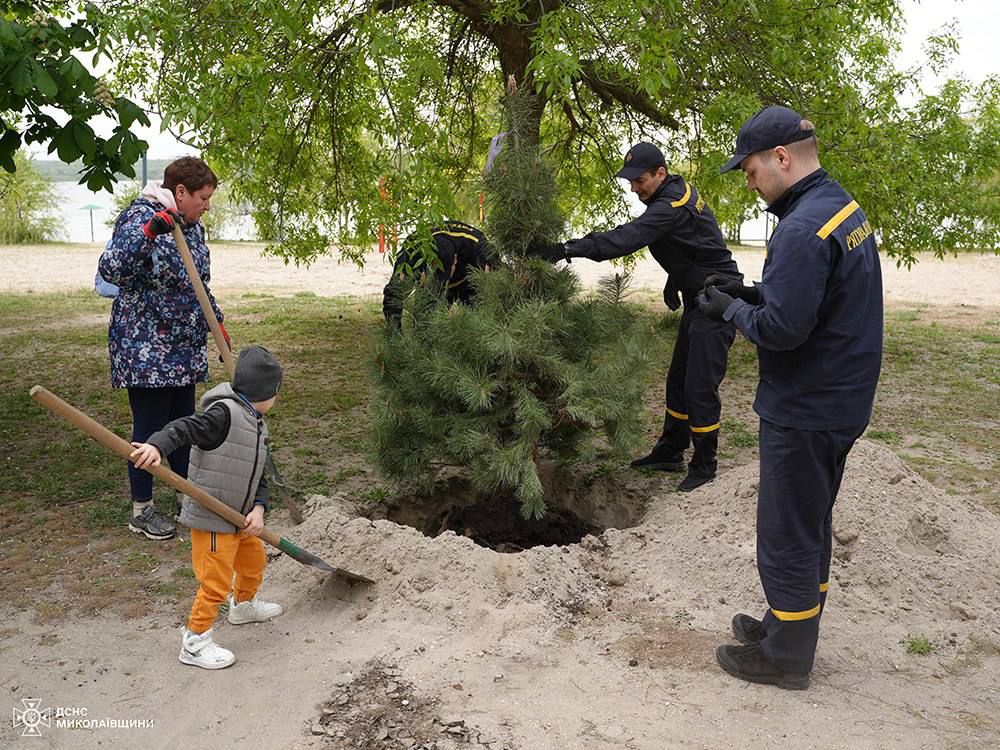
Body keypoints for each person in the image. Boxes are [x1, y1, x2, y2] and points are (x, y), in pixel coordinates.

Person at [701, 106, 883, 689]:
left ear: (782, 158)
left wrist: (729, 309)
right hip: (839, 398)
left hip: (807, 406)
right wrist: (751, 290)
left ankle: (785, 659)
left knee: (787, 530)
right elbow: (810, 299)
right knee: (809, 521)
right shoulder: (839, 208)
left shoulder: (802, 229)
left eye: (751, 170)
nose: (749, 184)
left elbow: (782, 330)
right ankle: (787, 623)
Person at [532, 143, 742, 492]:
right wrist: (676, 281)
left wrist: (567, 249)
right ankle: (670, 451)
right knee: (678, 382)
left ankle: (705, 464)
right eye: (630, 181)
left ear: (660, 173)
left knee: (699, 386)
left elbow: (626, 239)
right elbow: (694, 244)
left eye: (639, 180)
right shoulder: (676, 192)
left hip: (718, 301)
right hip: (700, 296)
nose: (634, 188)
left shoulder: (670, 204)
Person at [130, 345, 285, 670]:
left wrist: (259, 508)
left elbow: (257, 472)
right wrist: (157, 445)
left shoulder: (255, 421)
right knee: (214, 582)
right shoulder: (223, 415)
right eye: (276, 392)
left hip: (241, 518)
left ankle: (243, 606)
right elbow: (183, 427)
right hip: (213, 519)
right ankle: (195, 642)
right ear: (266, 392)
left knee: (254, 562)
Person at [98, 156, 226, 541]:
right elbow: (111, 269)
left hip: (183, 343)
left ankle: (188, 497)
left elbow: (198, 284)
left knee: (184, 423)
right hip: (146, 346)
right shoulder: (140, 216)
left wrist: (217, 324)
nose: (207, 205)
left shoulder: (192, 226)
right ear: (180, 192)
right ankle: (142, 510)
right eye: (203, 198)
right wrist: (150, 233)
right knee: (150, 430)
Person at [382, 220, 496, 326]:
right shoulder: (409, 254)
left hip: (464, 274)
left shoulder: (479, 246)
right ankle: (419, 332)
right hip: (437, 260)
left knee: (476, 315)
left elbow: (495, 268)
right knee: (424, 308)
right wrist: (395, 331)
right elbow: (393, 294)